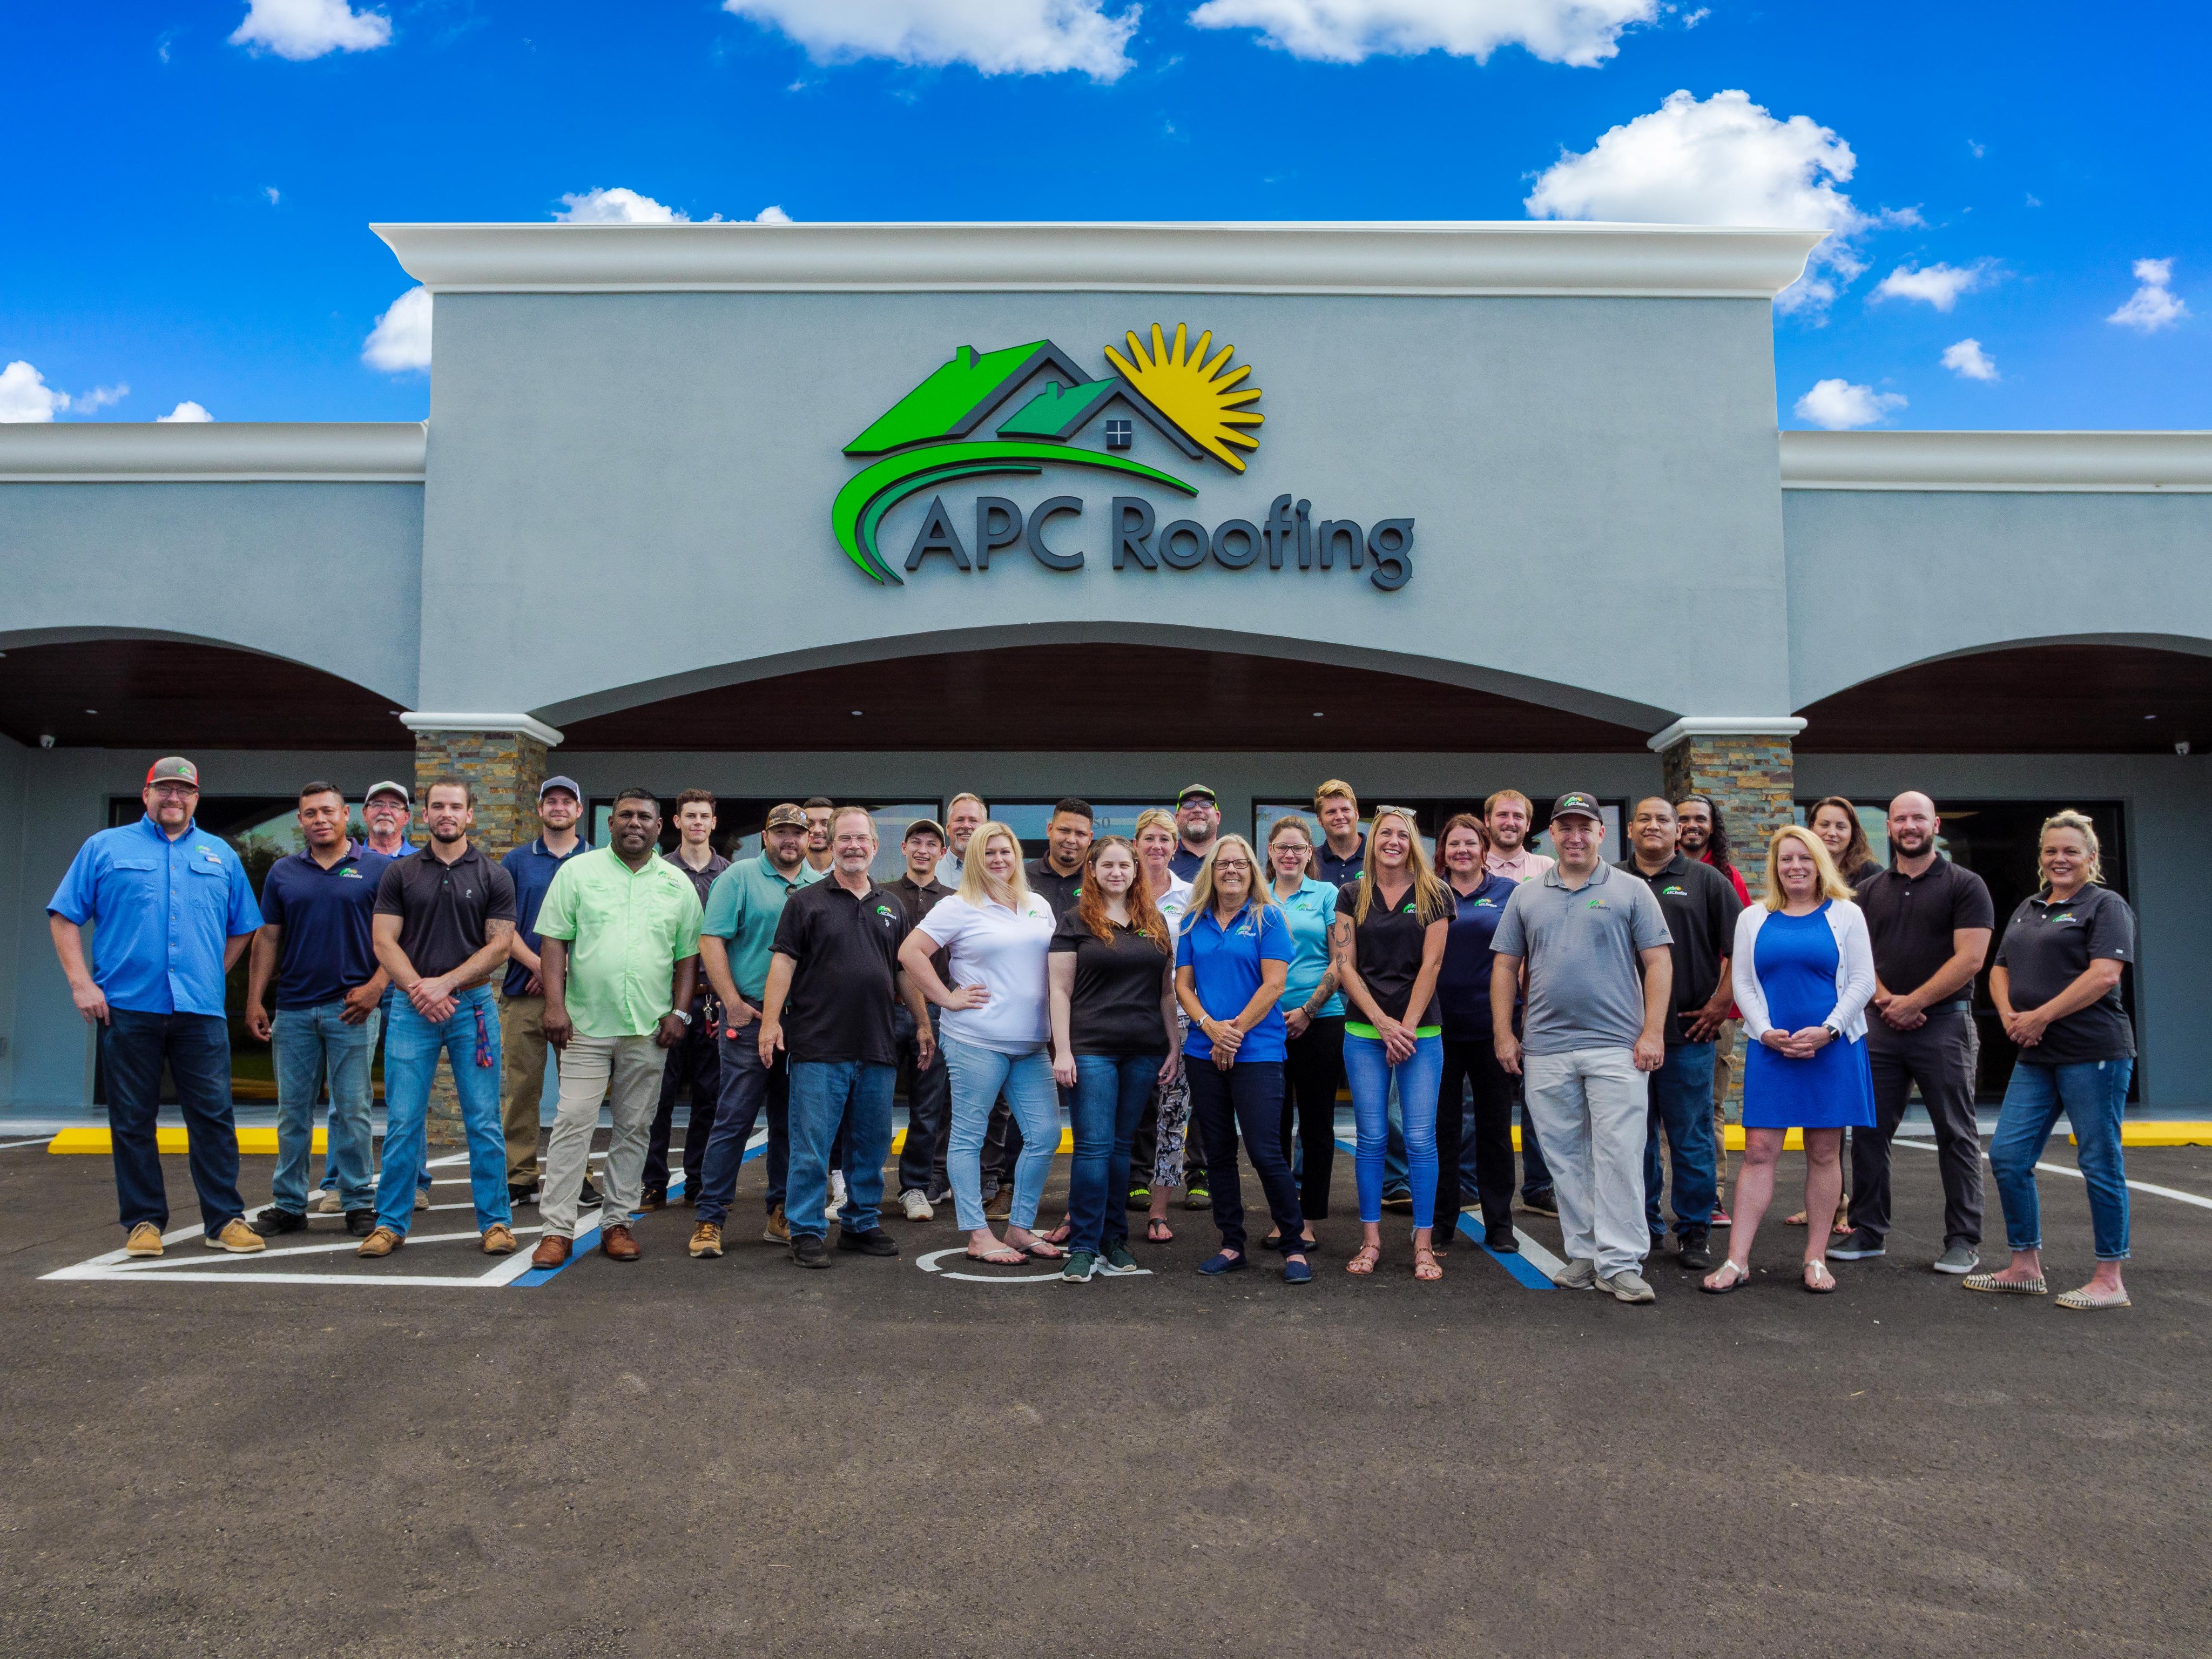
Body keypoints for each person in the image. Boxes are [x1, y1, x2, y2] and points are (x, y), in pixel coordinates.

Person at [47, 756, 267, 1257]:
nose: (174, 798)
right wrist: (81, 984)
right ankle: (144, 1222)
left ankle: (224, 1220)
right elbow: (64, 917)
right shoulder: (104, 847)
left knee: (213, 1117)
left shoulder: (221, 855)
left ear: (196, 798)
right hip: (127, 1008)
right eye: (164, 789)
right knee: (132, 1119)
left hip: (199, 1011)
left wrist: (212, 972)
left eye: (184, 790)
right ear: (146, 794)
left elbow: (244, 926)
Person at [1490, 791, 1673, 1303]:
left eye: (1584, 828)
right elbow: (1505, 966)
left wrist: (1652, 1032)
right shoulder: (1527, 895)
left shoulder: (1631, 890)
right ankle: (1585, 1254)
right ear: (1551, 834)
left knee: (1619, 1156)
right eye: (1565, 828)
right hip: (1546, 1048)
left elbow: (1658, 962)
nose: (1575, 837)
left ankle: (1621, 1263)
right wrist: (1505, 1033)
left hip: (1617, 1046)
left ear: (1601, 834)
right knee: (1564, 1157)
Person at [1968, 811, 2137, 1310]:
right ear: (2040, 857)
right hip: (2036, 1052)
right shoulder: (2030, 906)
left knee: (2099, 1161)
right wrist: (2009, 1016)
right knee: (2008, 1156)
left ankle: (2110, 1279)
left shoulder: (2106, 905)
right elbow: (1999, 968)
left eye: (2070, 851)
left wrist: (2040, 1016)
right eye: (2051, 851)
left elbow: (2105, 975)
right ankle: (2025, 1267)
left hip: (2093, 1052)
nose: (2059, 859)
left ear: (2091, 857)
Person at [529, 790, 703, 1266]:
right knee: (572, 1123)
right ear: (610, 823)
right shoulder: (577, 873)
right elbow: (553, 942)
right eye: (625, 815)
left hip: (648, 1028)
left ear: (659, 826)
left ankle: (617, 1223)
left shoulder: (676, 884)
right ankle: (557, 1230)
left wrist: (680, 1013)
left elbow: (688, 956)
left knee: (634, 1128)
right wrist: (555, 1006)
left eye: (644, 817)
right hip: (584, 1024)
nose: (634, 823)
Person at [1703, 827, 1876, 1295]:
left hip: (1832, 1049)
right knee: (1759, 1151)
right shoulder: (1753, 918)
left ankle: (1815, 1258)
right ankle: (1737, 1261)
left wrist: (1829, 1030)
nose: (1795, 866)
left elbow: (1863, 981)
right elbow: (1742, 982)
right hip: (1772, 1049)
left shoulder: (1846, 913)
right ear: (1775, 867)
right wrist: (1764, 1032)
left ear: (1820, 863)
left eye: (1804, 858)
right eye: (1786, 859)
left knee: (1823, 1152)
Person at [1831, 792, 1994, 1275]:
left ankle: (1963, 1240)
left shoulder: (1966, 885)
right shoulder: (1870, 890)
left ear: (1935, 825)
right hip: (1881, 1024)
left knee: (1956, 1133)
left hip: (1944, 1024)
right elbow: (1855, 958)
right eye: (1900, 819)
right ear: (1889, 828)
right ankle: (1867, 1230)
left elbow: (1971, 958)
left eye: (1918, 818)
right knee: (1869, 1131)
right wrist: (1888, 1001)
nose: (1909, 826)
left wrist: (1916, 1001)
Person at [758, 806, 929, 1268]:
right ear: (831, 846)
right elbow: (783, 963)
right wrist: (771, 1023)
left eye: (861, 839)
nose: (854, 846)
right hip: (819, 1046)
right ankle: (806, 1230)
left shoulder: (891, 905)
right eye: (845, 839)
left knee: (870, 1146)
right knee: (811, 1148)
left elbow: (903, 970)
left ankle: (860, 1224)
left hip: (877, 1046)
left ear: (875, 846)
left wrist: (923, 1022)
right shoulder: (805, 902)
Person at [361, 779, 519, 1258]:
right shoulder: (400, 873)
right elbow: (384, 941)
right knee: (403, 1121)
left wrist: (444, 984)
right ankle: (390, 1224)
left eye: (455, 806)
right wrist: (419, 989)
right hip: (412, 1008)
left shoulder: (494, 875)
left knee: (484, 1121)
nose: (446, 813)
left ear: (470, 814)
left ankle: (496, 1223)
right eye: (437, 806)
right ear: (425, 814)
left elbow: (501, 945)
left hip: (473, 1008)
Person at [899, 822, 1064, 1265]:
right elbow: (910, 952)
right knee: (968, 1137)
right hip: (976, 1040)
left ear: (1016, 855)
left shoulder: (1038, 906)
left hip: (1031, 1043)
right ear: (974, 859)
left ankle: (1019, 1228)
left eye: (1005, 851)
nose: (998, 859)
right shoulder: (959, 906)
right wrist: (946, 998)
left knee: (1045, 1135)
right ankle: (976, 1233)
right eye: (988, 853)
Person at [244, 781, 393, 1238]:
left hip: (353, 1009)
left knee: (353, 1110)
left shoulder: (379, 868)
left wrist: (376, 987)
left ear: (346, 815)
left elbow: (399, 935)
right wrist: (255, 999)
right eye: (310, 813)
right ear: (301, 821)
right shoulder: (283, 872)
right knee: (292, 1112)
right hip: (293, 1009)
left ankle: (358, 1201)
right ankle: (290, 1204)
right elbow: (268, 936)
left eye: (328, 811)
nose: (320, 819)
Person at [1176, 836, 1311, 1283]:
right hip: (1203, 1050)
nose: (1231, 870)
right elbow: (1182, 986)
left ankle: (1294, 1246)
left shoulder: (1268, 917)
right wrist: (1209, 1027)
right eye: (1222, 864)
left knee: (1266, 1152)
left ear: (1252, 871)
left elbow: (1274, 985)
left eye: (1240, 864)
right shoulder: (1193, 920)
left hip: (1257, 1051)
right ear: (1211, 872)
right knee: (1217, 1153)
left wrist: (1231, 1033)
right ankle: (1232, 1244)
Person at [690, 803, 823, 1253]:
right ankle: (710, 1218)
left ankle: (780, 1212)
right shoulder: (739, 877)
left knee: (792, 1123)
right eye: (780, 832)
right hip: (748, 1015)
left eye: (797, 833)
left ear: (808, 839)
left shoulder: (820, 885)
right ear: (765, 837)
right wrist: (732, 1004)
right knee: (734, 1119)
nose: (789, 840)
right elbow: (711, 941)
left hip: (801, 1021)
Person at [1618, 798, 1742, 1272]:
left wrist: (1720, 1004)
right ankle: (1644, 1225)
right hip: (1623, 1035)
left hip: (1688, 1033)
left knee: (1691, 1137)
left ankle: (1694, 1230)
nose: (1654, 826)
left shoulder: (1707, 881)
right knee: (1635, 1140)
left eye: (1663, 820)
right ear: (1630, 830)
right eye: (1644, 819)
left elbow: (1743, 948)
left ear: (1677, 831)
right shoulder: (1611, 879)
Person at [1049, 837, 1179, 1282]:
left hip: (1144, 1049)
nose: (1117, 872)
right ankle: (1084, 1245)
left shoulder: (1154, 921)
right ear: (1092, 869)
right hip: (1092, 1049)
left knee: (1122, 1148)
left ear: (1136, 870)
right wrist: (1063, 1050)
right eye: (1108, 865)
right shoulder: (1075, 920)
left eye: (1125, 865)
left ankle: (1114, 1239)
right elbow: (1059, 990)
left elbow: (1166, 992)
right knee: (1093, 1148)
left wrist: (1173, 1046)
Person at [1333, 806, 1454, 1281]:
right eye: (1385, 833)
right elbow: (1344, 965)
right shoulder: (1351, 893)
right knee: (1372, 1139)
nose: (1393, 842)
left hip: (1420, 1033)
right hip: (1366, 1032)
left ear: (1413, 843)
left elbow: (1433, 965)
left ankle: (1423, 1245)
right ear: (1373, 841)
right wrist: (1383, 1024)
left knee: (1421, 1139)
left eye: (1402, 835)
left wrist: (1405, 1027)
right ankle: (1371, 1241)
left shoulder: (1435, 893)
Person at [313, 778, 417, 1218]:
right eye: (377, 804)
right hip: (353, 991)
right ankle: (339, 1183)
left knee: (408, 1090)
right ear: (363, 814)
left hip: (407, 988)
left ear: (408, 817)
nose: (385, 810)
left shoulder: (422, 862)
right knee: (347, 1094)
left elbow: (415, 932)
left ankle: (412, 1182)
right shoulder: (344, 860)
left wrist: (389, 982)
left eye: (395, 805)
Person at [498, 775, 591, 1208]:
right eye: (550, 801)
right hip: (523, 991)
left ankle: (579, 1175)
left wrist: (560, 968)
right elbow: (502, 925)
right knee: (522, 1090)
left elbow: (601, 928)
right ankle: (520, 1176)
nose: (558, 807)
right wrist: (540, 965)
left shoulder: (596, 860)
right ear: (539, 809)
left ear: (579, 810)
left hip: (580, 996)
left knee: (579, 1094)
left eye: (566, 801)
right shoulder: (516, 862)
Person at [1789, 795, 1879, 1234]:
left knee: (1850, 1118)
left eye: (1841, 826)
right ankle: (1832, 1201)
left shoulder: (1869, 879)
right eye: (1823, 824)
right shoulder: (1800, 877)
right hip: (1822, 1016)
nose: (1832, 832)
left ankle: (1854, 1208)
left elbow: (1868, 953)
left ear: (1853, 832)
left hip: (1859, 1013)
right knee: (1824, 1122)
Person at [1435, 814, 1520, 1251]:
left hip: (1494, 1031)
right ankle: (1441, 1222)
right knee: (1441, 1131)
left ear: (1484, 849)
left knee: (1495, 1132)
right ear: (1443, 851)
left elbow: (1525, 958)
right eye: (1454, 844)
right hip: (1437, 1031)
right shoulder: (1428, 893)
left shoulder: (1510, 893)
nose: (1462, 850)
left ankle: (1500, 1225)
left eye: (1470, 843)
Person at [642, 788, 727, 1210]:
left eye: (704, 816)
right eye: (690, 815)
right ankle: (653, 1182)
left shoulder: (729, 876)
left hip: (713, 1000)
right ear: (676, 822)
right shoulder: (656, 871)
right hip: (665, 1001)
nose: (697, 822)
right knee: (659, 1095)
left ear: (713, 823)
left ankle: (699, 1180)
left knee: (711, 1096)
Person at [1264, 814, 1341, 1249]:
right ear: (1270, 852)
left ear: (1309, 853)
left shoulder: (1328, 894)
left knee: (1315, 1125)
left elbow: (1341, 959)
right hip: (1266, 1023)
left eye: (1298, 848)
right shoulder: (1257, 897)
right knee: (1272, 1126)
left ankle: (1308, 1220)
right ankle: (1283, 1217)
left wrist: (1308, 1010)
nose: (1290, 855)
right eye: (1282, 847)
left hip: (1321, 1020)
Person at [1676, 793, 1751, 1222]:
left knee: (1709, 1105)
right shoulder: (1654, 873)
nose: (1692, 825)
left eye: (1700, 818)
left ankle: (1711, 1196)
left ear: (1712, 825)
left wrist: (1719, 1003)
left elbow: (1739, 945)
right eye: (1684, 818)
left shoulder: (1726, 876)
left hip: (1716, 1014)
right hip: (1660, 1011)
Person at [1483, 789, 1557, 1216]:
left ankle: (1540, 1186)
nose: (1509, 822)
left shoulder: (1546, 869)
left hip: (1536, 1002)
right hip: (1482, 1000)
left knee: (1538, 1098)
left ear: (1529, 825)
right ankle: (1471, 1184)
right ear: (1488, 820)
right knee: (1476, 1102)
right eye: (1502, 815)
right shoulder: (1470, 864)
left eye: (1518, 816)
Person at [1132, 808, 1197, 1240]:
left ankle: (1159, 1213)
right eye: (1149, 838)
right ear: (1135, 844)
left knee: (1172, 1118)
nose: (1156, 846)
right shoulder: (1117, 889)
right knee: (1116, 1116)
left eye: (1165, 840)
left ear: (1176, 848)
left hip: (1180, 1018)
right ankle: (1088, 1211)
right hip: (1127, 1017)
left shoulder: (1192, 896)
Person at [889, 818, 954, 1220]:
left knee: (928, 1107)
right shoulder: (882, 894)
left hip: (936, 1011)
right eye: (916, 842)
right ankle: (856, 1189)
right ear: (904, 848)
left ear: (942, 853)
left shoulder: (955, 900)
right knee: (871, 1103)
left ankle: (915, 1186)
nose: (923, 850)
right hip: (885, 1009)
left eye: (932, 844)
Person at [1313, 778, 1365, 886]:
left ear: (1357, 815)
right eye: (1331, 812)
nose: (1340, 817)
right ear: (1320, 820)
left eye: (1345, 810)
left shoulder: (1377, 856)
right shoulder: (1310, 861)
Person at [1169, 785, 1221, 881]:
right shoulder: (1164, 857)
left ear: (1218, 817)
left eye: (1206, 804)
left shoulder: (1233, 857)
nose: (1197, 810)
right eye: (1188, 804)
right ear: (1177, 818)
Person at [935, 792, 986, 887]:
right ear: (948, 828)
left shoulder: (995, 871)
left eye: (973, 820)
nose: (966, 826)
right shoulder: (931, 871)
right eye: (960, 820)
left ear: (984, 829)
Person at [800, 796, 837, 878]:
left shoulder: (848, 869)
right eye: (810, 824)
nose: (817, 830)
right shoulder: (790, 869)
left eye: (825, 824)